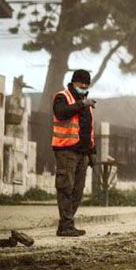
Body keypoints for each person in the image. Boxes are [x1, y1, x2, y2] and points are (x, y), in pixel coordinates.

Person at [52, 69, 96, 237]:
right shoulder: (62, 97)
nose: (84, 86)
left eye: (87, 84)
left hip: (82, 153)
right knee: (66, 188)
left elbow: (89, 130)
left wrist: (92, 151)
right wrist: (81, 105)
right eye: (81, 83)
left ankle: (67, 224)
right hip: (66, 150)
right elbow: (61, 113)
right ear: (73, 82)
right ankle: (65, 226)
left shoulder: (86, 103)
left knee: (78, 190)